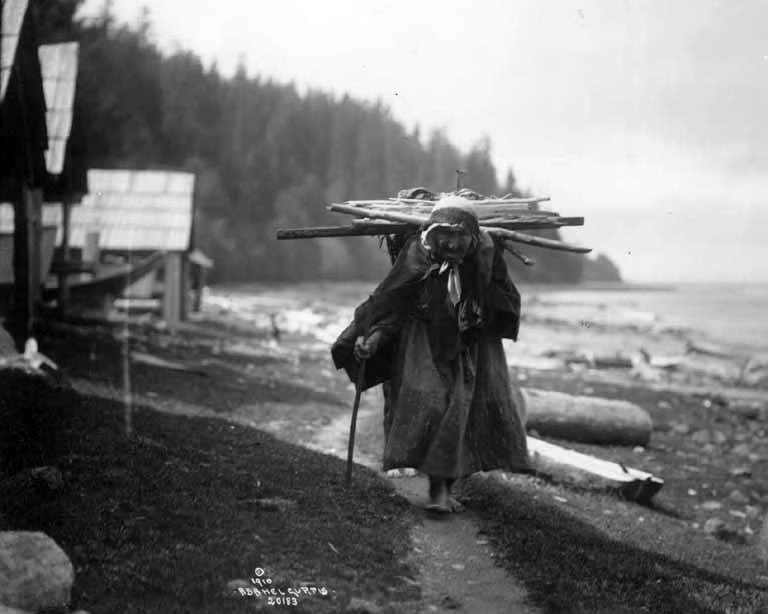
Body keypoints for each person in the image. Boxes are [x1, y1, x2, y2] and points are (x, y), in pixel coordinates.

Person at [331, 196, 530, 513]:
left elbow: (506, 303)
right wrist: (372, 338)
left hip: (469, 351)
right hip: (422, 348)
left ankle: (440, 493)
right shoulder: (417, 259)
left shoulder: (485, 260)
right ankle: (435, 484)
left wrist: (478, 311)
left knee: (458, 412)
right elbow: (391, 302)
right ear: (432, 234)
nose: (452, 243)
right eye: (444, 235)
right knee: (431, 405)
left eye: (460, 235)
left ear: (473, 236)